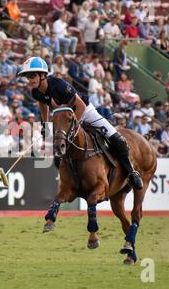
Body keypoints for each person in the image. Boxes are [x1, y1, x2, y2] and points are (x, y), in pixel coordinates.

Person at [16, 57, 143, 190]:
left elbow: (81, 106)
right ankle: (71, 182)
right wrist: (45, 124)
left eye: (33, 75)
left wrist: (73, 125)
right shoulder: (36, 92)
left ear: (43, 75)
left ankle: (131, 172)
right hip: (64, 117)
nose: (30, 79)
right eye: (27, 76)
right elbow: (43, 104)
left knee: (117, 139)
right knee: (57, 150)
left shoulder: (59, 86)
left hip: (85, 111)